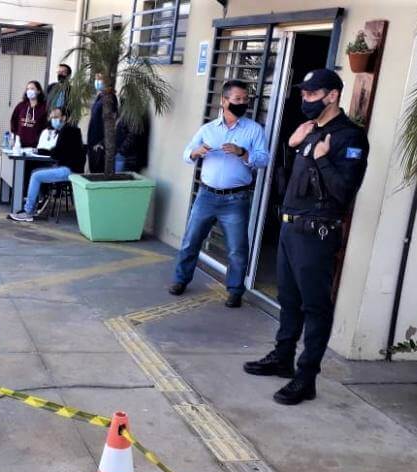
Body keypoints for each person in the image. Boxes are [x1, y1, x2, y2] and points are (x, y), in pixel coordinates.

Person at [243, 69, 369, 406]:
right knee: (289, 299)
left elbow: (344, 192)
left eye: (312, 94)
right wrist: (293, 145)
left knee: (315, 306)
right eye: (304, 94)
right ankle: (282, 357)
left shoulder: (349, 138)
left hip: (316, 233)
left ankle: (306, 376)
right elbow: (297, 179)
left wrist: (323, 159)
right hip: (289, 227)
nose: (305, 100)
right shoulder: (311, 131)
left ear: (332, 96)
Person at [170, 79, 269, 308]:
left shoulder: (254, 130)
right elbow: (186, 154)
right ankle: (180, 280)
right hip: (206, 196)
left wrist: (243, 153)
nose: (242, 103)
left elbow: (263, 159)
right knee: (190, 241)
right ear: (224, 101)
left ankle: (235, 291)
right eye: (237, 99)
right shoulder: (208, 129)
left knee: (236, 249)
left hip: (236, 199)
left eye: (245, 99)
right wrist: (197, 152)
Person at [7, 106, 84, 223]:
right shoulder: (69, 130)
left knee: (36, 176)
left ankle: (28, 212)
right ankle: (35, 206)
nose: (53, 120)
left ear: (64, 118)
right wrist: (44, 151)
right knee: (35, 173)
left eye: (56, 117)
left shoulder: (68, 131)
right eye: (52, 117)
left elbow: (57, 153)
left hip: (70, 170)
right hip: (68, 167)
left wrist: (47, 151)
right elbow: (59, 152)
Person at [87, 73, 115, 173]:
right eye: (96, 79)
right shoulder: (100, 96)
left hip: (100, 142)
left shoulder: (110, 97)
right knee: (93, 170)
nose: (97, 82)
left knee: (98, 171)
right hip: (93, 140)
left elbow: (111, 121)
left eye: (100, 79)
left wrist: (101, 143)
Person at [9, 80, 47, 150]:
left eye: (32, 89)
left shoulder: (44, 107)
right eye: (28, 89)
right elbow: (13, 121)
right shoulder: (21, 106)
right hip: (20, 144)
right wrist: (14, 137)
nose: (29, 91)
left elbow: (46, 125)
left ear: (39, 91)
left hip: (36, 145)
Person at [114, 108, 149, 173]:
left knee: (123, 181)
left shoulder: (135, 109)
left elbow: (134, 135)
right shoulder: (126, 108)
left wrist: (121, 151)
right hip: (124, 155)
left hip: (128, 158)